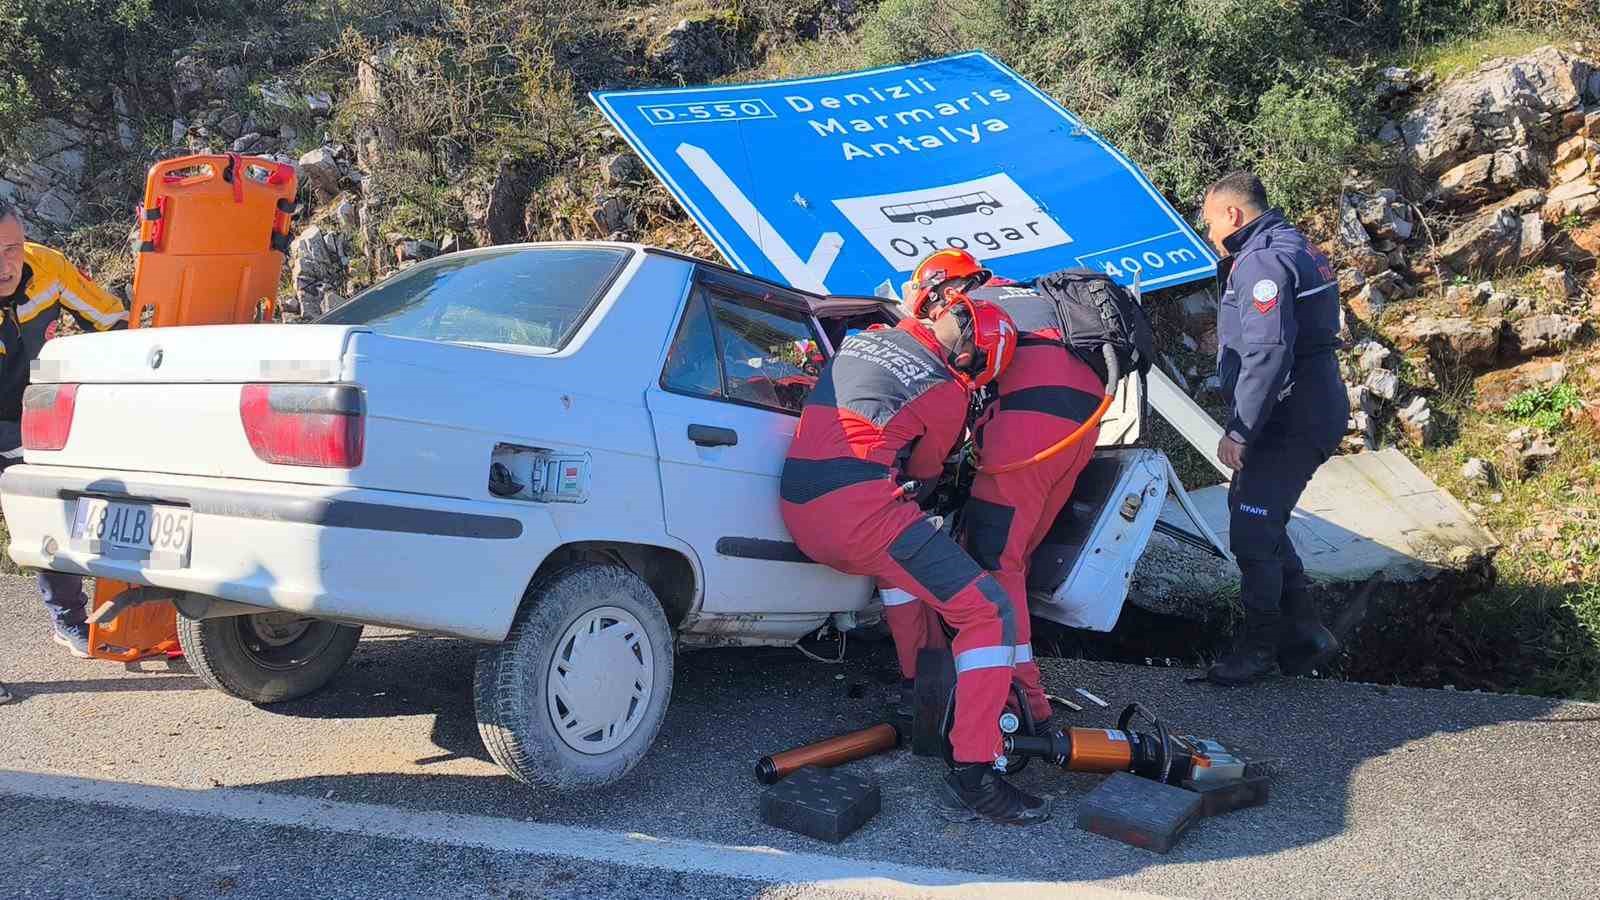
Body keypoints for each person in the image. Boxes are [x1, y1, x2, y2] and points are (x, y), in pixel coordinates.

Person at [779, 293, 1050, 825]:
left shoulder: (865, 341)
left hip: (798, 509)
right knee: (989, 611)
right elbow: (925, 477)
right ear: (975, 362)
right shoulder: (947, 390)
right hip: (860, 516)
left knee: (900, 572)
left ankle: (916, 690)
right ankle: (973, 771)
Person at [903, 252, 1107, 728]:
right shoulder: (1039, 298)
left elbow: (940, 395)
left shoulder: (968, 311)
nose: (935, 321)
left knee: (995, 565)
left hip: (1024, 438)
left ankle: (1020, 696)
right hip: (1081, 434)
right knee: (1018, 557)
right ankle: (1009, 672)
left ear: (941, 289)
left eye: (929, 309)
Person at [1197, 171, 1346, 685]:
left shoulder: (1260, 260)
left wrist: (1239, 429)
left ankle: (1258, 650)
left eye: (1211, 221)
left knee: (1252, 528)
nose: (1210, 233)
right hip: (1307, 405)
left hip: (1290, 414)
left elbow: (1268, 350)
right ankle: (1305, 632)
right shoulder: (1293, 244)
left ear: (1233, 215)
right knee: (1256, 512)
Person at [0, 198, 130, 658]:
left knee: (54, 514)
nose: (5, 265)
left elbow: (112, 321)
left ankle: (70, 622)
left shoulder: (49, 269)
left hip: (34, 419)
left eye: (11, 249)